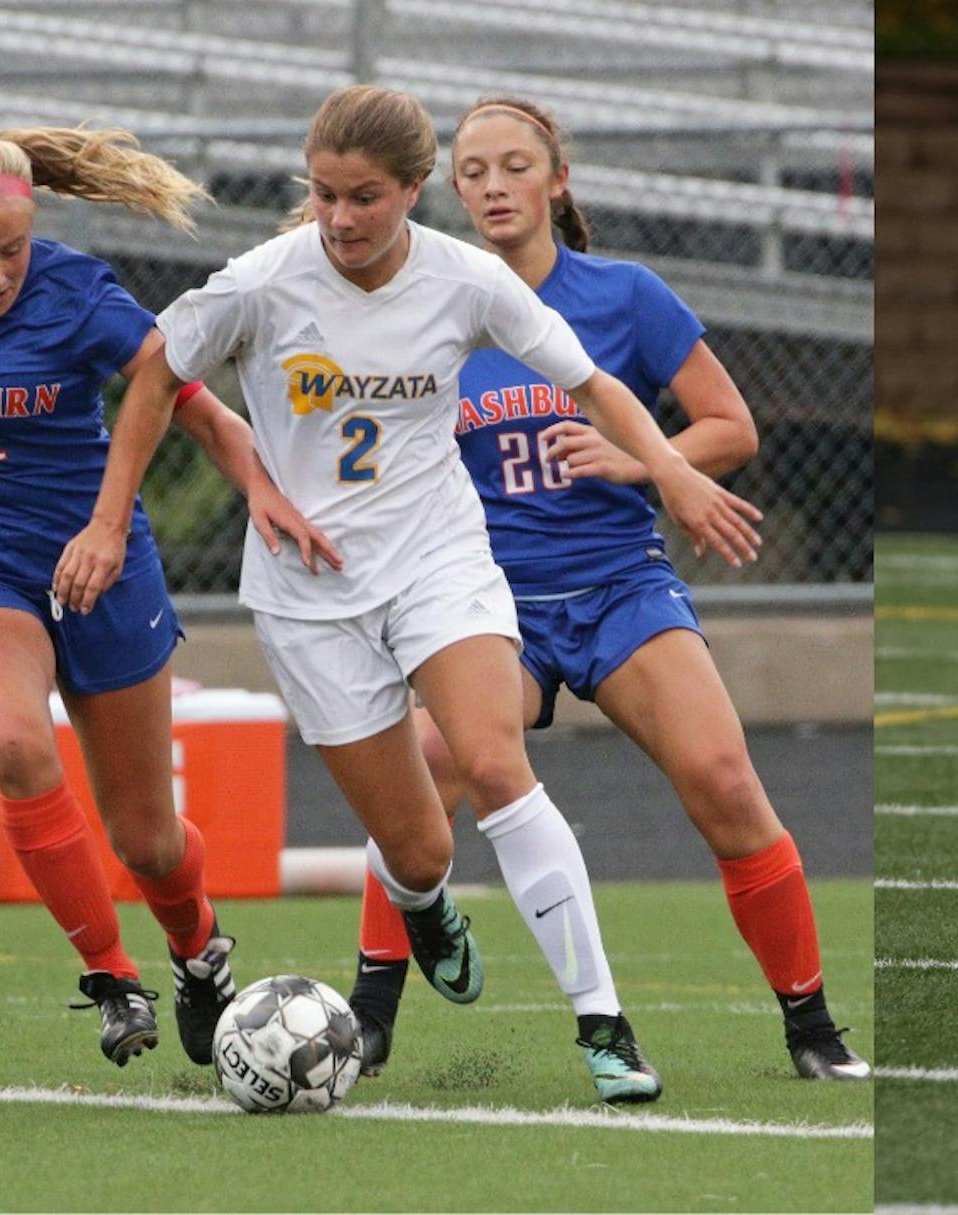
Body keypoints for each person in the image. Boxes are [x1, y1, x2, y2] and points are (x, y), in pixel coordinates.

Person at [64, 84, 764, 1104]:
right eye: (324, 195)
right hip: (311, 597)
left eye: (366, 198)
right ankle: (427, 901)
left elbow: (596, 385)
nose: (342, 219)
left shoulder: (465, 281)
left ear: (412, 191)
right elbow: (156, 376)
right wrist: (112, 516)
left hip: (440, 563)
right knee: (418, 843)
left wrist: (670, 466)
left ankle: (604, 1026)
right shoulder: (262, 282)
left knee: (493, 761)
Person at [338, 96, 868, 1083]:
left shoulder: (625, 296)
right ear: (451, 191)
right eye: (474, 172)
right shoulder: (429, 308)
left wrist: (639, 461)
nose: (494, 186)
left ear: (557, 180)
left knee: (723, 778)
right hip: (490, 606)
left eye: (514, 167)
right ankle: (369, 1016)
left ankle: (812, 1028)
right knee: (424, 769)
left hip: (621, 587)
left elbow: (730, 427)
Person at [0, 128, 330, 1068]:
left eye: (13, 250)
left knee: (149, 841)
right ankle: (113, 978)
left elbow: (184, 398)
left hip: (100, 567)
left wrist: (256, 490)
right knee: (15, 744)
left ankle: (198, 948)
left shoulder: (78, 291)